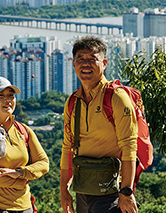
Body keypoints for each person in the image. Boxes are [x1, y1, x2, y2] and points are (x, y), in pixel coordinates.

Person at [60, 36, 139, 213]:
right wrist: (64, 190)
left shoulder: (116, 97)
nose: (86, 64)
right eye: (80, 59)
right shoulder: (73, 102)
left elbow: (129, 146)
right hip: (83, 189)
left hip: (111, 191)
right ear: (74, 65)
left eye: (92, 59)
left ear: (104, 63)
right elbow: (67, 147)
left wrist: (126, 192)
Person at [0, 77, 50, 213]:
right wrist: (21, 182)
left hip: (25, 207)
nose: (8, 100)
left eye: (11, 96)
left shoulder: (23, 130)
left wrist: (20, 172)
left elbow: (44, 163)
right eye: (1, 96)